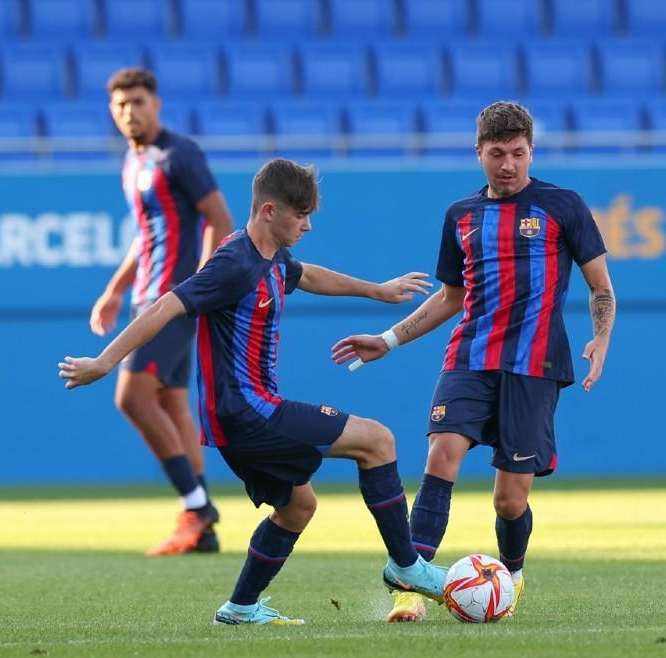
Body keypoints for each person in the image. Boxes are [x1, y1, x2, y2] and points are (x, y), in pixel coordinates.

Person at [60, 159, 447, 625]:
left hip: (238, 419)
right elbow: (165, 306)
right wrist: (105, 362)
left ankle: (240, 606)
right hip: (249, 413)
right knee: (378, 440)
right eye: (300, 214)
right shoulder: (234, 263)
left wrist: (377, 291)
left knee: (298, 508)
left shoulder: (273, 257)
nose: (307, 225)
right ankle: (407, 567)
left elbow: (305, 274)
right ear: (268, 211)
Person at [330, 101, 616, 622]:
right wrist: (388, 339)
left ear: (531, 151)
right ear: (478, 153)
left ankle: (512, 574)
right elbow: (450, 297)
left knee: (510, 500)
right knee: (441, 455)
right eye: (497, 154)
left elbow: (601, 287)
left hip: (535, 365)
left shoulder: (564, 205)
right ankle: (410, 587)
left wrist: (600, 338)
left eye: (518, 153)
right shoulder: (460, 215)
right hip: (469, 355)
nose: (508, 165)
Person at [92, 67, 234, 556]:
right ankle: (203, 529)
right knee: (173, 405)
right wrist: (114, 290)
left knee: (131, 397)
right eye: (120, 105)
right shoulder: (134, 163)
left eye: (138, 101)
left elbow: (220, 219)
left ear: (156, 105)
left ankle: (196, 507)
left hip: (171, 301)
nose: (129, 111)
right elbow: (147, 234)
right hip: (146, 299)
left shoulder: (180, 154)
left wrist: (200, 286)